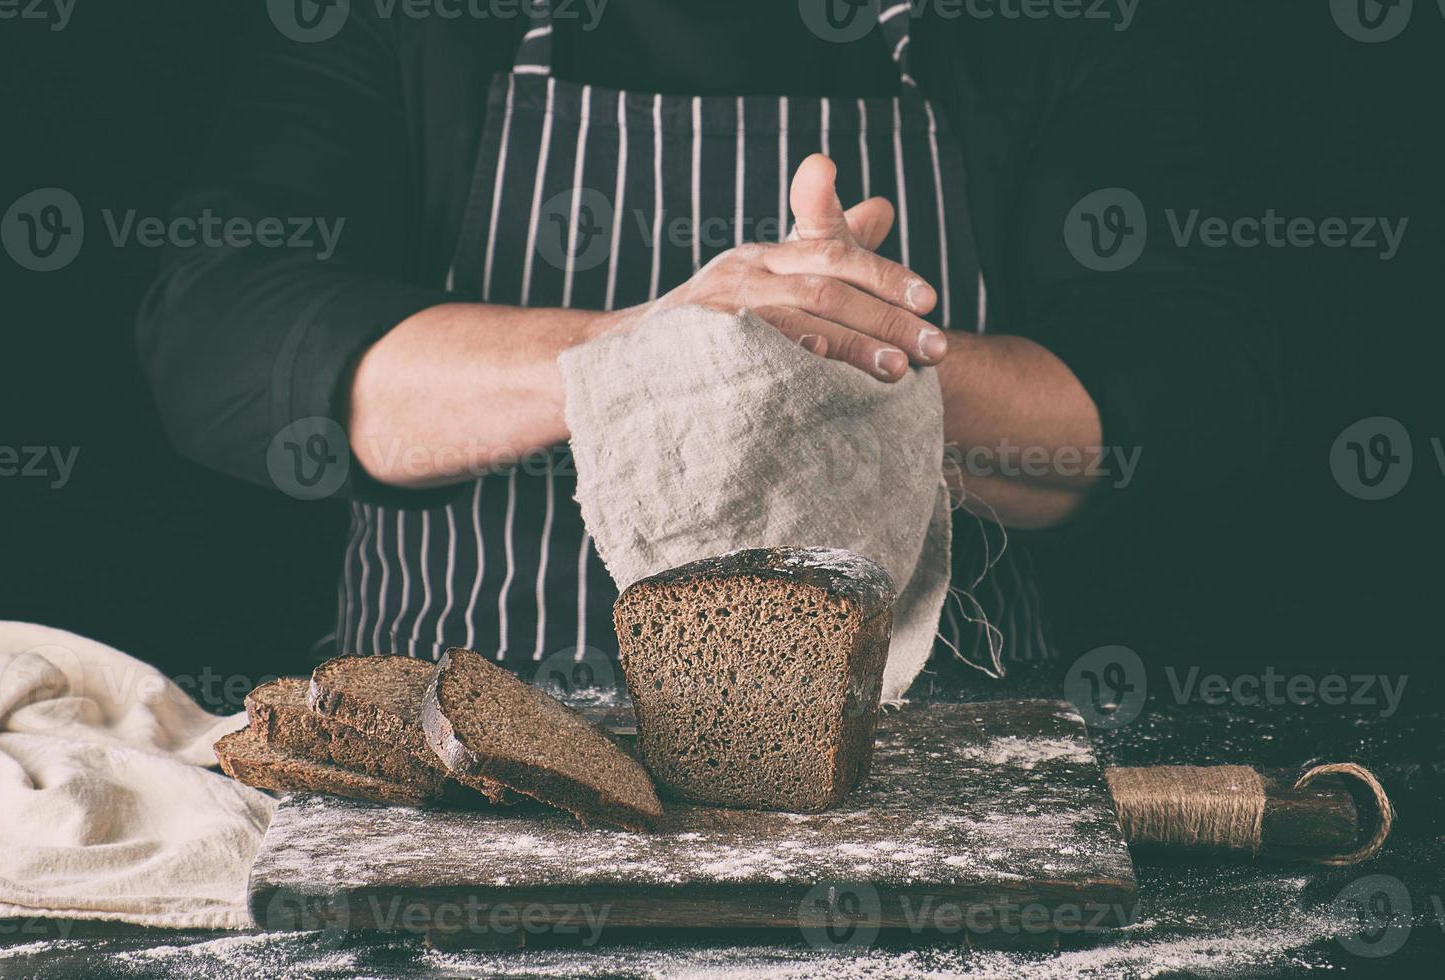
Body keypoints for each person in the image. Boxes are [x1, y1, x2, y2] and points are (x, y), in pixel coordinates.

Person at [138, 0, 1277, 682]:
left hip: (926, 771)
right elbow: (218, 333)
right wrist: (668, 350)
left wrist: (834, 354)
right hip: (462, 743)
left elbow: (1190, 393)